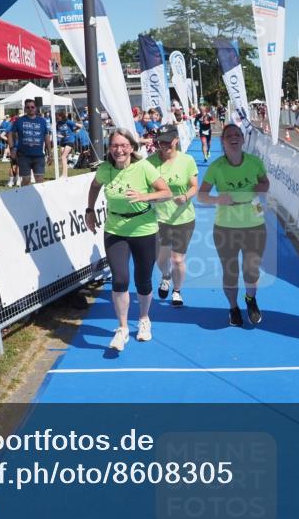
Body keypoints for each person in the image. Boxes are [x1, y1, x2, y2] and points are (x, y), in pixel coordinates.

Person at [85, 129, 171, 351]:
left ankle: (144, 319)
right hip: (115, 229)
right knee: (120, 279)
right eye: (114, 145)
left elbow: (166, 192)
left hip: (144, 229)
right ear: (109, 148)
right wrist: (90, 210)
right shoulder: (105, 169)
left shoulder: (143, 167)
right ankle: (122, 328)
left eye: (123, 145)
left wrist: (145, 196)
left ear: (131, 147)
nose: (119, 150)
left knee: (143, 280)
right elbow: (95, 186)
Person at [198, 123, 270, 328]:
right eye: (229, 135)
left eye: (237, 134)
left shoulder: (254, 162)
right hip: (225, 226)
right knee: (230, 272)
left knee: (251, 270)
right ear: (223, 141)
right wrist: (217, 200)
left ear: (242, 139)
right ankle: (233, 308)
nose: (233, 137)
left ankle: (250, 299)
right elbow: (201, 195)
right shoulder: (216, 167)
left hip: (254, 224)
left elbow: (266, 183)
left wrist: (260, 187)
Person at [149, 126, 199, 307]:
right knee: (161, 260)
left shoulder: (187, 160)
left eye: (168, 141)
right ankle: (166, 275)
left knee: (177, 259)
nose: (164, 145)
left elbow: (194, 186)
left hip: (183, 218)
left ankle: (177, 291)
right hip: (159, 219)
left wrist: (185, 196)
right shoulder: (150, 162)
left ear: (176, 140)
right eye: (161, 141)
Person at [10, 99, 51, 186]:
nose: (30, 109)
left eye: (32, 107)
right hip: (24, 156)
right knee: (26, 180)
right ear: (25, 109)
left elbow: (46, 137)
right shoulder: (19, 121)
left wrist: (50, 153)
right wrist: (12, 148)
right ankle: (24, 199)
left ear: (36, 108)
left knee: (40, 181)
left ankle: (37, 199)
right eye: (28, 107)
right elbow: (10, 134)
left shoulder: (42, 121)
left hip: (39, 156)